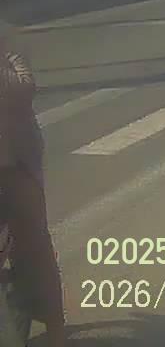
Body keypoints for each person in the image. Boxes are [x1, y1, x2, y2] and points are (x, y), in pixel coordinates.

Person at [0, 22, 67, 347]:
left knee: (34, 245)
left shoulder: (8, 37)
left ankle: (55, 329)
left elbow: (25, 88)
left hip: (15, 161)